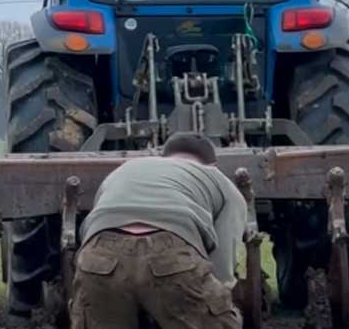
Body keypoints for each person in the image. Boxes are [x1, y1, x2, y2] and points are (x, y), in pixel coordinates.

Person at [70, 133, 247, 329]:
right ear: (213, 165)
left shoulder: (125, 170)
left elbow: (94, 225)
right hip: (170, 253)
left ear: (164, 157)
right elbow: (223, 262)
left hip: (98, 257)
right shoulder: (216, 178)